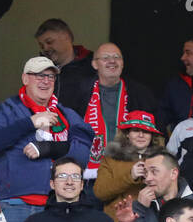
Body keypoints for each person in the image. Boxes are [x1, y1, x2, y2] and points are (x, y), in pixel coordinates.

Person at [0, 56, 93, 222]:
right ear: (25, 78)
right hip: (14, 205)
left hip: (56, 206)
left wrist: (47, 148)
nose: (46, 81)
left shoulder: (66, 114)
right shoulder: (9, 109)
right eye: (39, 75)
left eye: (50, 76)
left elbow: (82, 155)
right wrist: (29, 123)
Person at [59, 43, 156, 180]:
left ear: (122, 63)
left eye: (117, 57)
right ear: (94, 64)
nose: (112, 61)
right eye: (105, 58)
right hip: (87, 173)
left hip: (129, 172)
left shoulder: (140, 93)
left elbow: (153, 135)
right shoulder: (78, 91)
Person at [93, 113, 164, 220]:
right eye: (135, 130)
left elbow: (171, 191)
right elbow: (100, 193)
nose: (141, 135)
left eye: (146, 131)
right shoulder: (111, 159)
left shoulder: (163, 159)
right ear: (127, 134)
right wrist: (130, 176)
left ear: (152, 135)